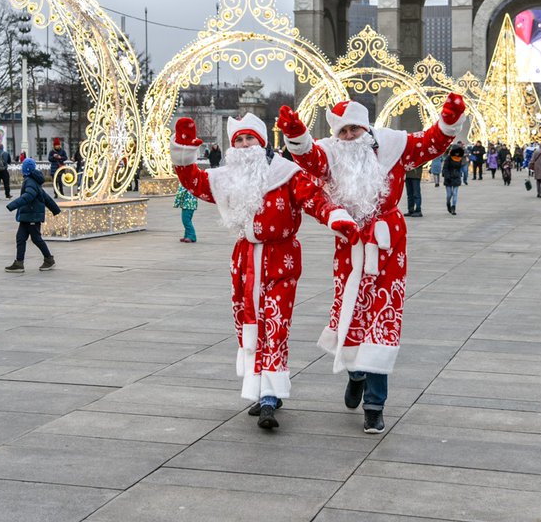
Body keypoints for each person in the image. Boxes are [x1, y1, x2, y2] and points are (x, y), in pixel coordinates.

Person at [279, 93, 468, 434]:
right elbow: (309, 158)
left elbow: (430, 143)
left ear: (366, 128)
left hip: (388, 245)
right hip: (350, 244)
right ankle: (356, 373)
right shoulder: (331, 155)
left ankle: (375, 405)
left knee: (382, 319)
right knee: (352, 315)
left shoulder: (394, 147)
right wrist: (296, 133)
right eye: (343, 132)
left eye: (354, 129)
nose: (349, 137)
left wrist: (449, 119)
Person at [174, 112, 356, 431]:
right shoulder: (229, 177)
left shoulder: (287, 174)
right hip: (245, 259)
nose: (244, 146)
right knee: (249, 321)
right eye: (239, 141)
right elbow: (195, 182)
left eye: (250, 140)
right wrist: (184, 152)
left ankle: (271, 394)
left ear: (262, 143)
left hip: (281, 257)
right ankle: (260, 389)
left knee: (275, 321)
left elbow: (314, 199)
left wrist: (336, 217)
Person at [4, 158, 60, 273]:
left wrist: (12, 205)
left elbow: (28, 196)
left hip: (32, 215)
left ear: (25, 169)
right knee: (20, 238)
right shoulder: (33, 180)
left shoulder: (30, 182)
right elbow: (46, 197)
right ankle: (19, 263)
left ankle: (49, 259)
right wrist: (55, 209)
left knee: (36, 238)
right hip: (28, 215)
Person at [441, 142, 465, 214]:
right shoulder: (448, 158)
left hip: (456, 177)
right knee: (449, 194)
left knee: (455, 193)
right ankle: (448, 203)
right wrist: (447, 176)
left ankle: (453, 207)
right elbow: (445, 168)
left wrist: (460, 174)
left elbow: (459, 168)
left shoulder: (459, 158)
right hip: (448, 177)